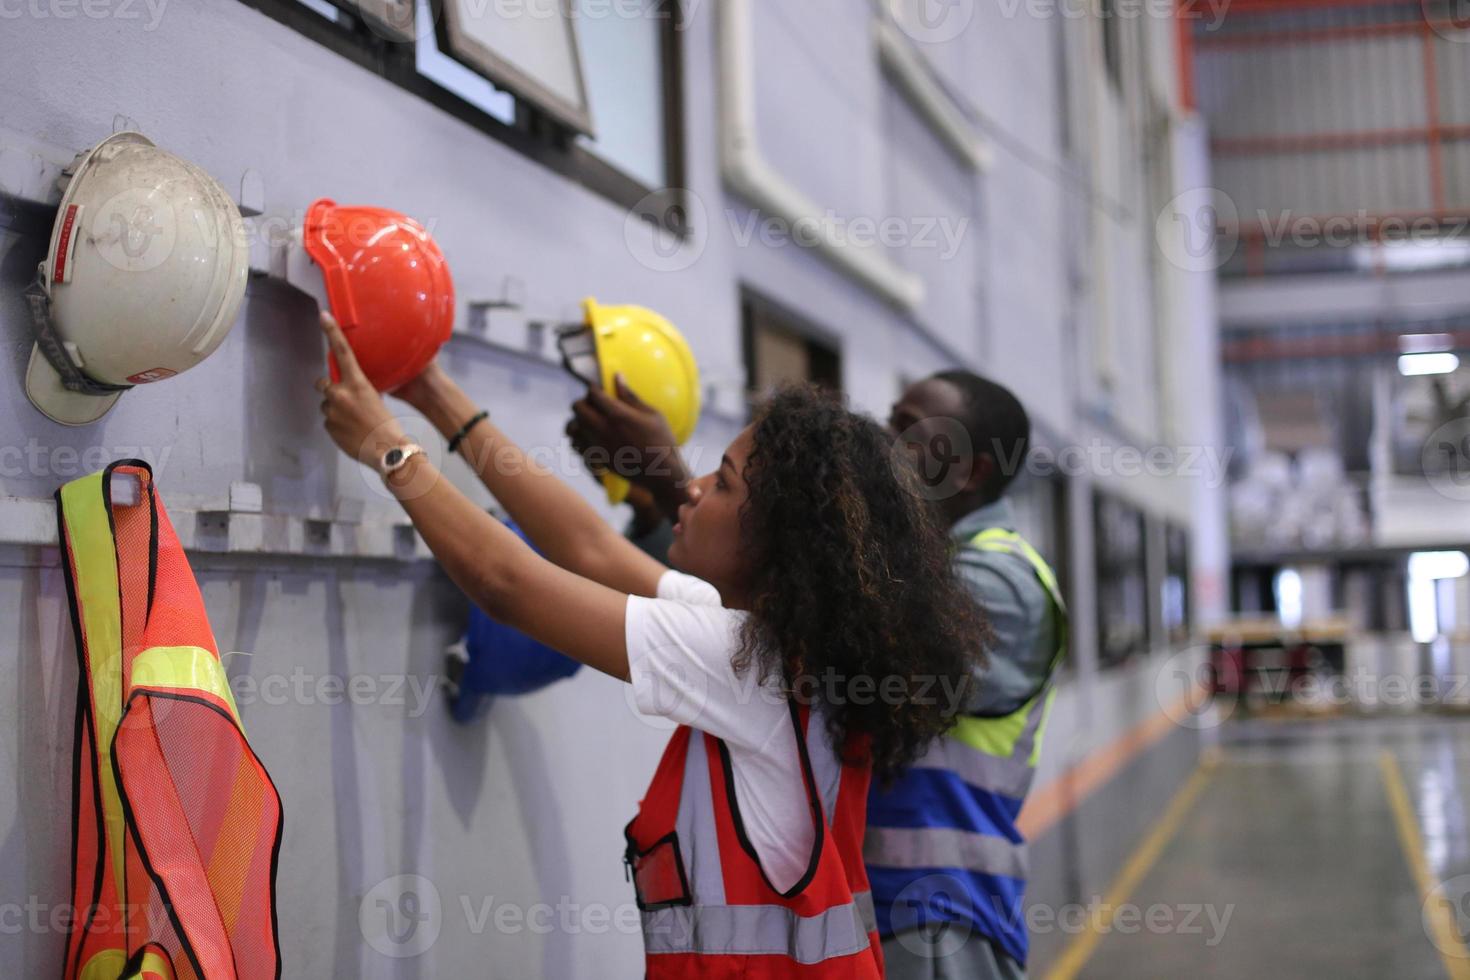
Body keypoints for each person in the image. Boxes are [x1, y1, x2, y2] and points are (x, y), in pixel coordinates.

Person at [312, 314, 985, 977]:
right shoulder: (778, 654)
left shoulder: (743, 664)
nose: (688, 489)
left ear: (783, 548)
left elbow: (506, 582)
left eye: (721, 483)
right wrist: (432, 392)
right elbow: (588, 546)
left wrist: (391, 452)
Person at [570, 370, 1068, 980]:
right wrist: (667, 501)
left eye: (910, 433)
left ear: (968, 471)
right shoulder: (908, 570)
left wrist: (688, 488)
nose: (886, 441)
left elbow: (845, 634)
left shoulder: (1004, 585)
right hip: (880, 910)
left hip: (940, 917)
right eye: (891, 420)